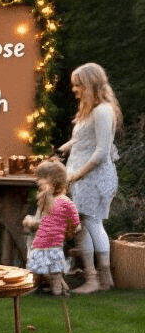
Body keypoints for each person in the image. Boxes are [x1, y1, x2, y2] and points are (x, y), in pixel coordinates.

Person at [58, 63, 122, 294]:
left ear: (90, 84)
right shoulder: (89, 109)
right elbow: (82, 139)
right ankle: (93, 278)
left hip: (93, 178)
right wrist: (65, 148)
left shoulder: (103, 111)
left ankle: (100, 279)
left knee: (92, 224)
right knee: (83, 226)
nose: (74, 89)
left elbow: (101, 152)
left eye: (78, 84)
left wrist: (76, 174)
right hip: (81, 178)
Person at [23, 159, 80, 295]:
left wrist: (67, 230)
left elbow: (76, 224)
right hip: (40, 243)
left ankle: (58, 291)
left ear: (52, 180)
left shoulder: (64, 201)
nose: (38, 182)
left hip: (54, 244)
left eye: (41, 179)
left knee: (55, 271)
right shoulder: (44, 199)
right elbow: (42, 222)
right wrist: (31, 222)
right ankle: (38, 287)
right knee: (37, 270)